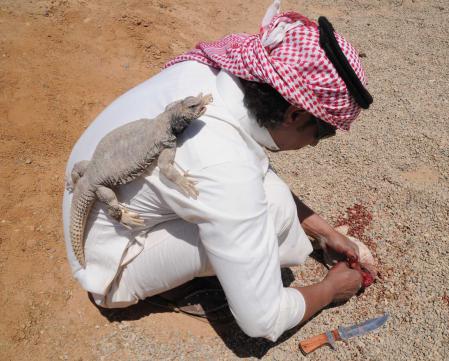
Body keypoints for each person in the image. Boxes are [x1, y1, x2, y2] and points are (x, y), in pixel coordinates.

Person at [62, 4, 375, 342]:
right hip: (107, 267)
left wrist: (324, 232)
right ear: (296, 115)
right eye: (321, 133)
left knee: (271, 200)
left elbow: (248, 167)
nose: (315, 145)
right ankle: (165, 286)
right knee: (269, 216)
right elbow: (264, 321)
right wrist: (330, 289)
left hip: (89, 197)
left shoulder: (209, 77)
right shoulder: (225, 167)